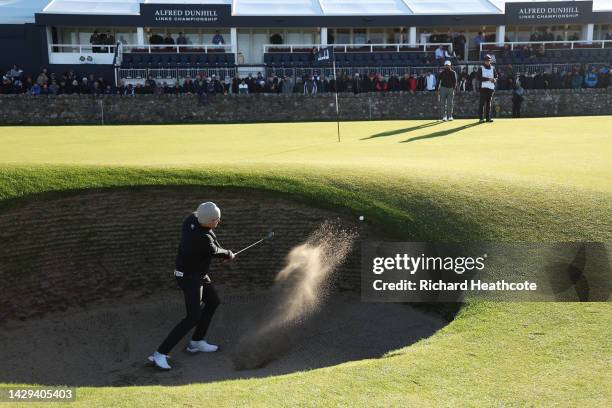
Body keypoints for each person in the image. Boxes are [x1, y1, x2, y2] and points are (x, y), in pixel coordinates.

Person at [150, 202, 234, 370]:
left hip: (197, 274)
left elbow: (214, 247)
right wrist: (229, 254)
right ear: (208, 221)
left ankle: (196, 342)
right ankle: (159, 354)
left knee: (212, 301)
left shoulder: (191, 219)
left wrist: (224, 253)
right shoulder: (202, 240)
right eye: (216, 219)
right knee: (192, 317)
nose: (218, 221)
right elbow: (216, 251)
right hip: (189, 278)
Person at [477, 54, 498, 123]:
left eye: (488, 61)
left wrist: (495, 79)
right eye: (486, 61)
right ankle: (481, 118)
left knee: (489, 104)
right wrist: (489, 79)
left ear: (490, 61)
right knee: (482, 103)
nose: (487, 62)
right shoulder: (481, 68)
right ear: (484, 61)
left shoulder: (493, 68)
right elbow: (479, 78)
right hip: (483, 88)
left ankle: (488, 118)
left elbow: (496, 76)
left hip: (491, 88)